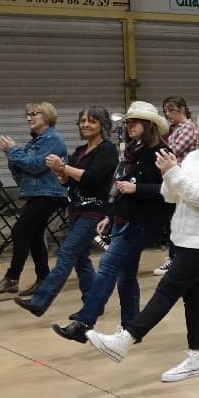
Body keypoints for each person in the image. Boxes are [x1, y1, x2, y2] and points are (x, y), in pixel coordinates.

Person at [83, 107, 199, 379]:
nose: (197, 132)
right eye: (197, 126)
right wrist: (169, 172)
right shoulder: (194, 157)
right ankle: (198, 357)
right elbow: (170, 195)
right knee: (194, 297)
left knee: (168, 287)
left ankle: (127, 338)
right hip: (187, 237)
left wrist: (174, 173)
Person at [45, 103, 172, 353]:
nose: (129, 127)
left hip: (143, 222)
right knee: (125, 276)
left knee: (107, 266)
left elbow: (171, 191)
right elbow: (119, 187)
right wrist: (111, 215)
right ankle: (130, 329)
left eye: (134, 122)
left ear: (148, 126)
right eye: (127, 122)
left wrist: (139, 189)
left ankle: (83, 323)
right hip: (124, 219)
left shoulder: (161, 153)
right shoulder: (134, 152)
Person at [10, 105, 117, 314]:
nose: (86, 125)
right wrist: (61, 175)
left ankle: (40, 302)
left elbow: (92, 178)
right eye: (83, 121)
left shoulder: (108, 150)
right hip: (76, 209)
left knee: (67, 252)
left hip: (94, 211)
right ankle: (93, 304)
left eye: (92, 121)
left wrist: (64, 168)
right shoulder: (79, 151)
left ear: (102, 125)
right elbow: (71, 183)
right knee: (80, 258)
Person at [0, 102, 68, 296]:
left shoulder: (53, 140)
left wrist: (13, 151)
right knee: (34, 236)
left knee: (20, 230)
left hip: (49, 194)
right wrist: (12, 155)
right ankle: (44, 279)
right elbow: (22, 172)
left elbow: (35, 166)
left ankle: (12, 278)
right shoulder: (34, 142)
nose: (29, 117)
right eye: (27, 114)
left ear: (48, 116)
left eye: (35, 114)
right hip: (36, 194)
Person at [152, 96, 199, 277]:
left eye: (171, 110)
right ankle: (175, 256)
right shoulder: (174, 128)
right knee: (173, 220)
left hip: (182, 179)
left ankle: (175, 258)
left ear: (181, 109)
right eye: (165, 110)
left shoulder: (188, 128)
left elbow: (170, 151)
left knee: (176, 221)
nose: (168, 114)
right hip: (172, 180)